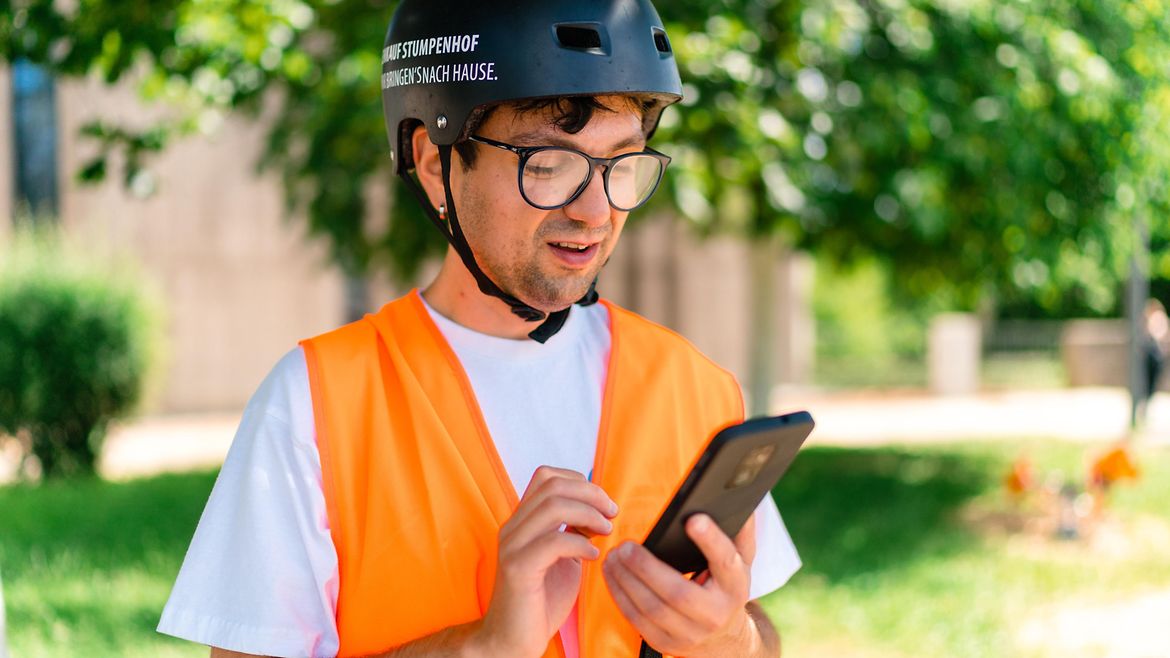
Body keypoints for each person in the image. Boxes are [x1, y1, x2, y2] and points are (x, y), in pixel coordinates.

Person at [157, 1, 801, 656]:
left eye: (622, 162)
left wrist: (733, 640)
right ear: (436, 163)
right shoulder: (315, 405)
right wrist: (482, 647)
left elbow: (757, 631)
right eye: (549, 165)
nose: (595, 210)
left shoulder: (694, 388)